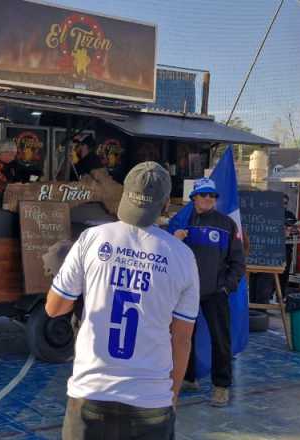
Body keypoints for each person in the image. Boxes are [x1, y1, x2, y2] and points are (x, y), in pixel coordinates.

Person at [45, 162, 199, 439]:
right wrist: (172, 396)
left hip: (90, 394)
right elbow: (182, 339)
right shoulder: (183, 256)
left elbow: (54, 308)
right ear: (165, 204)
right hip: (151, 399)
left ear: (125, 195)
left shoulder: (91, 239)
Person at [168, 178, 246, 407]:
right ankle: (188, 378)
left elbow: (238, 261)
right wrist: (174, 240)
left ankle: (221, 386)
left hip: (215, 292)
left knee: (220, 339)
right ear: (193, 198)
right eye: (204, 195)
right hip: (185, 292)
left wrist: (226, 287)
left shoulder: (226, 224)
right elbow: (165, 254)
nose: (209, 199)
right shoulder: (180, 222)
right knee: (182, 337)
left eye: (212, 195)